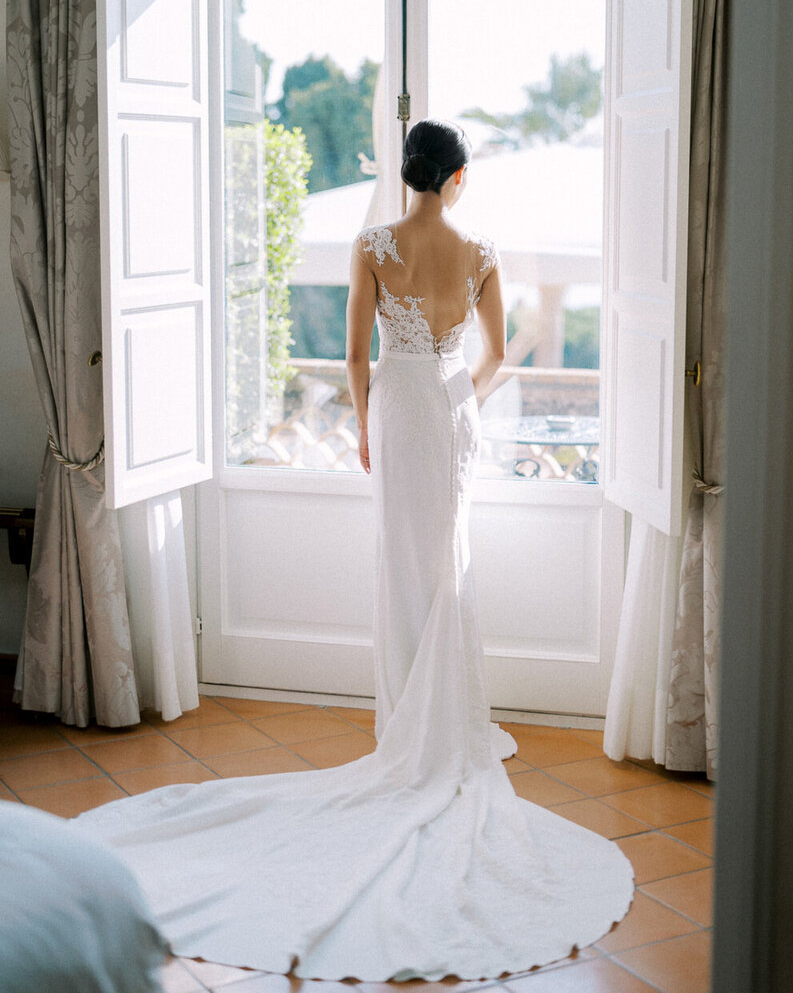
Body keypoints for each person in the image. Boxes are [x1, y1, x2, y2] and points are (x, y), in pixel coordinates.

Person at [74, 120, 633, 982]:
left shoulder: (374, 243)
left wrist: (368, 427)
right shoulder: (480, 248)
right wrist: (462, 396)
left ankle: (407, 714)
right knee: (448, 560)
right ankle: (441, 717)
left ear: (409, 174)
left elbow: (352, 354)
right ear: (455, 178)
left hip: (403, 409)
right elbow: (493, 352)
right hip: (446, 407)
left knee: (403, 560)